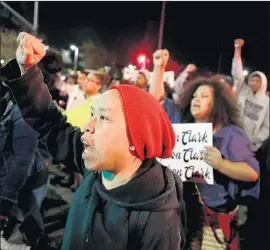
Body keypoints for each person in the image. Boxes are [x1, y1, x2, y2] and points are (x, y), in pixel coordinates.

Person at [3, 32, 186, 250]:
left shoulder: (157, 222)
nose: (89, 125)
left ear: (135, 140)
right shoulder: (97, 168)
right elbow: (50, 123)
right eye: (93, 114)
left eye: (103, 118)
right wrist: (28, 70)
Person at [149, 49, 260, 250]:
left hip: (213, 218)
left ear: (217, 103)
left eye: (204, 96)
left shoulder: (231, 135)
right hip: (177, 212)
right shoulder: (181, 122)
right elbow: (156, 99)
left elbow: (251, 173)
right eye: (194, 96)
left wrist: (221, 164)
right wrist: (158, 67)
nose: (196, 100)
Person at [0, 81, 50, 249]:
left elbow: (21, 161)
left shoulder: (21, 112)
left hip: (28, 179)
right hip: (9, 178)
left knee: (20, 227)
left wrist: (4, 203)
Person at [231, 38, 269, 154]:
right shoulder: (244, 91)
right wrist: (237, 49)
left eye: (257, 81)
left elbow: (267, 126)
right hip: (233, 137)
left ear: (263, 83)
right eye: (252, 80)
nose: (254, 83)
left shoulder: (267, 102)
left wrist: (254, 140)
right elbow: (237, 74)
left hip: (250, 146)